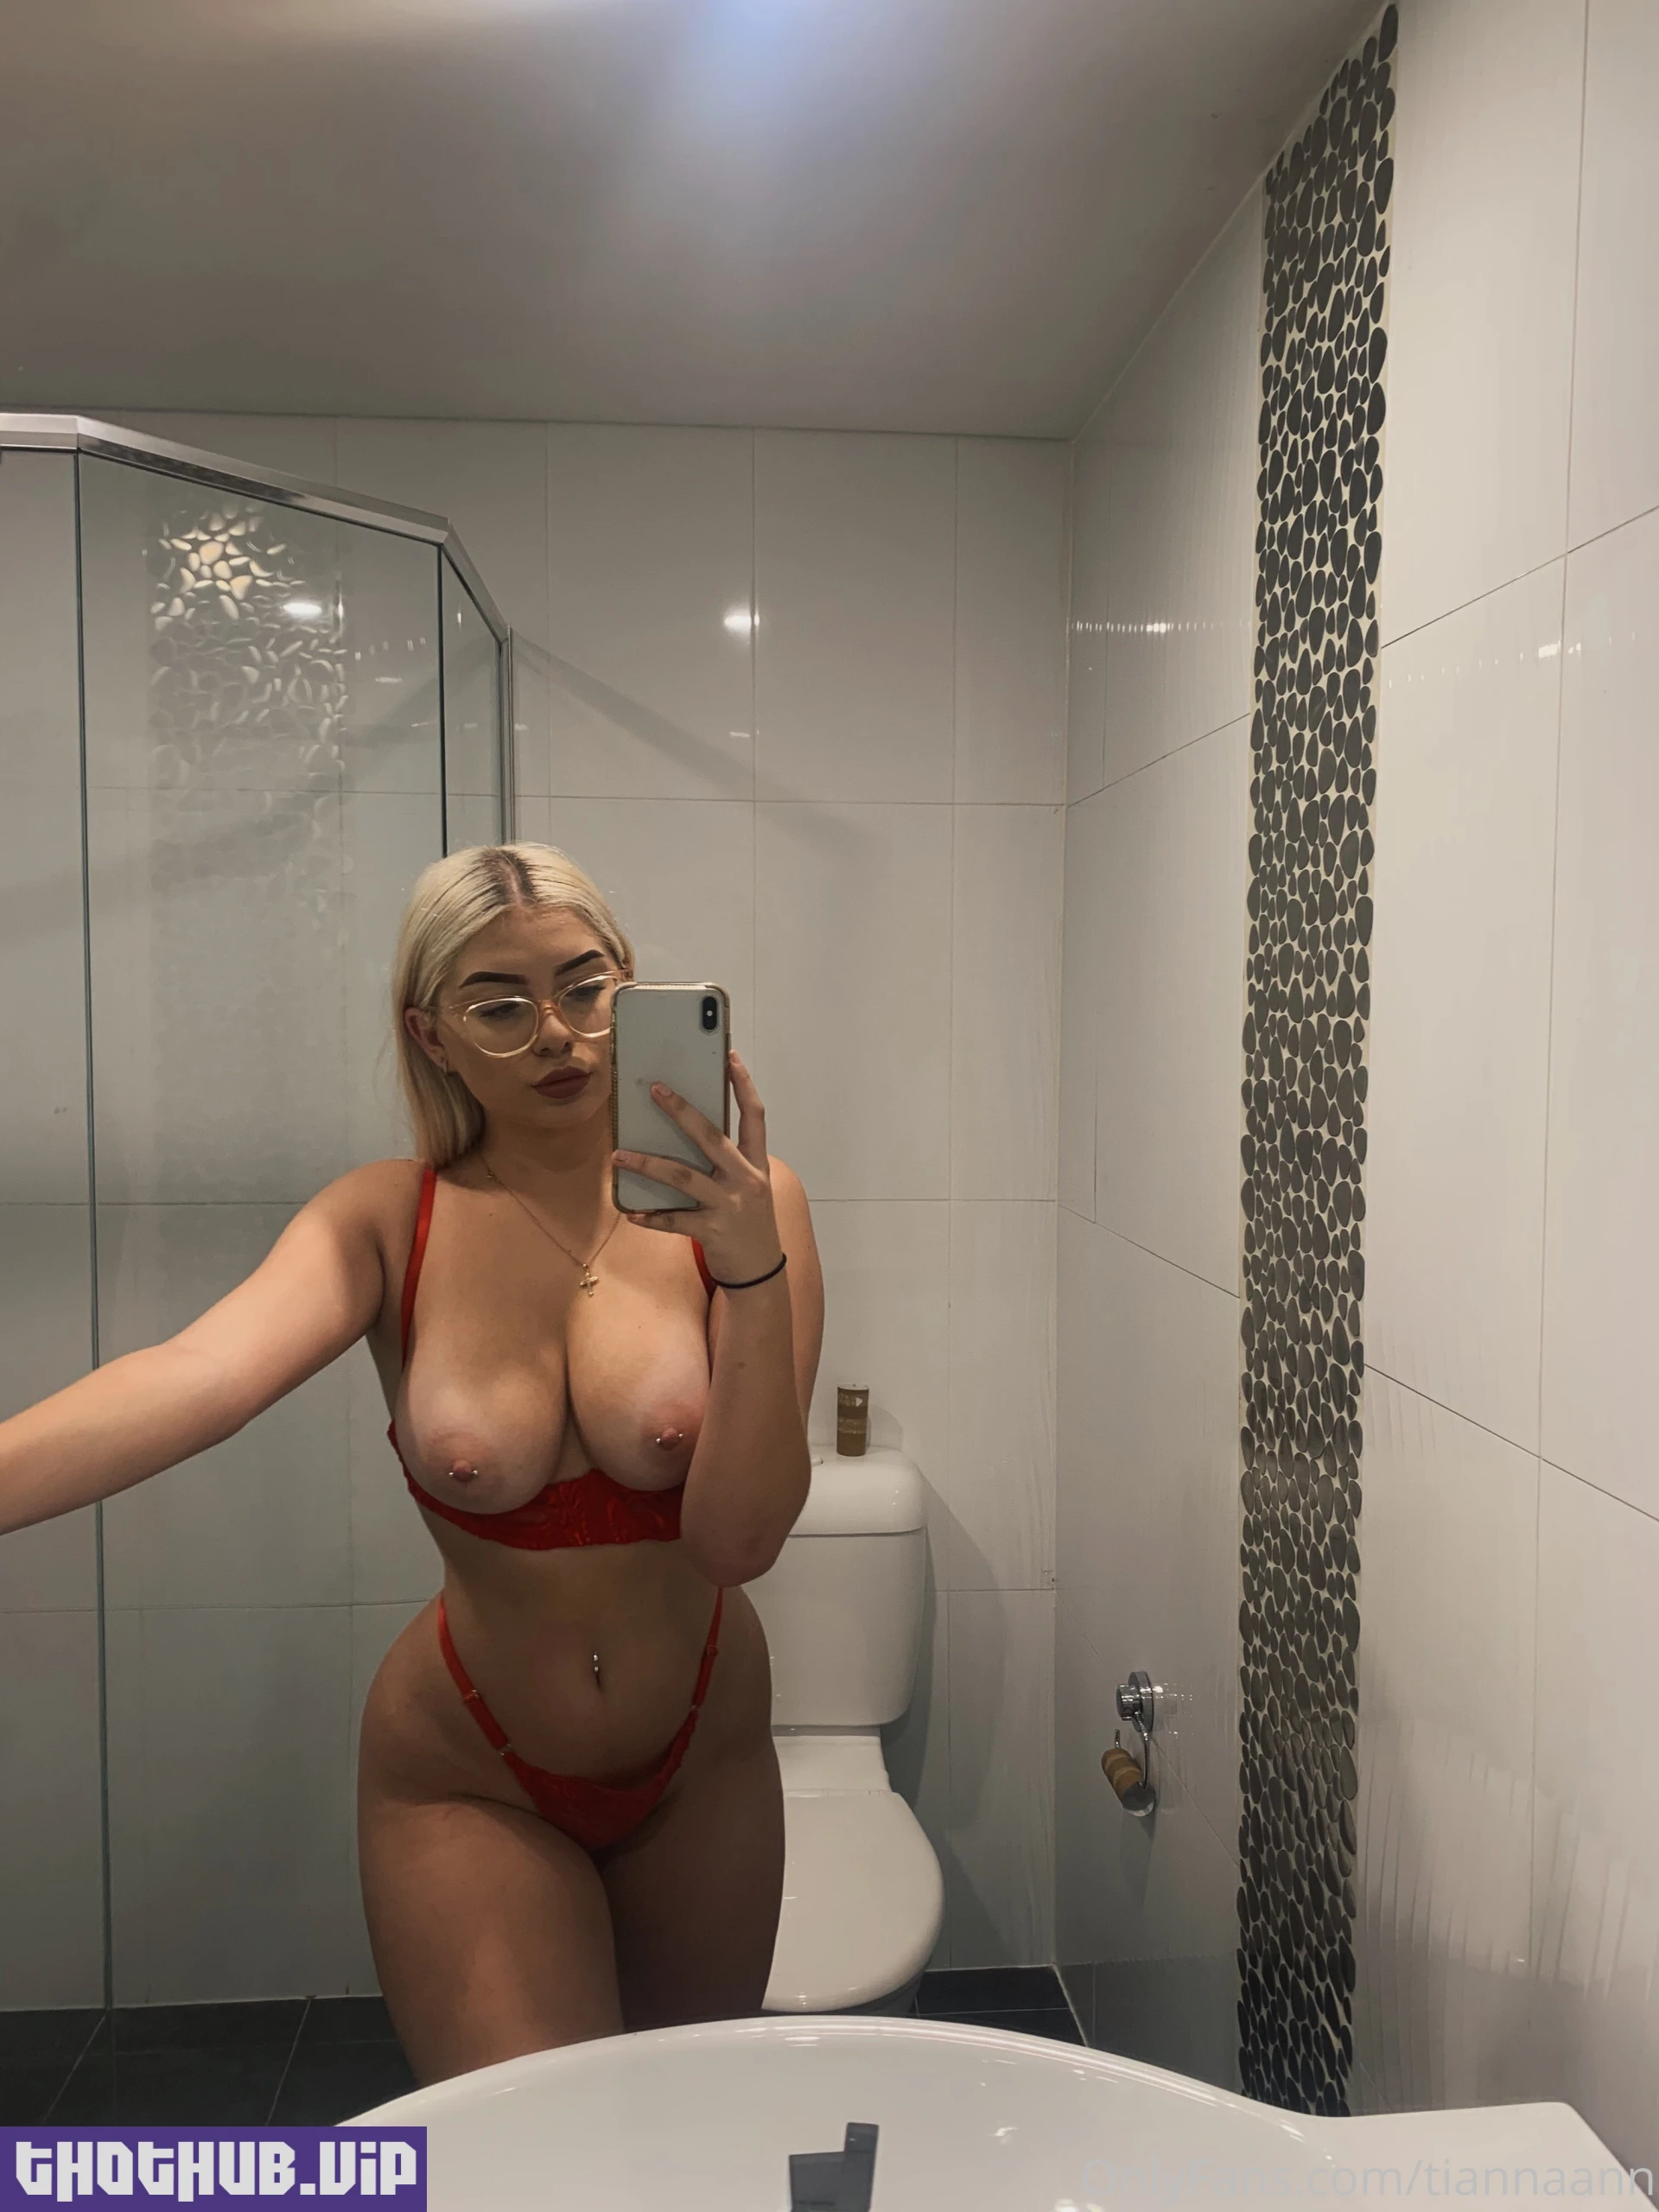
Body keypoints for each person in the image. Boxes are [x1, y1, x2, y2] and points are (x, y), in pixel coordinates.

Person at [0, 842, 823, 2084]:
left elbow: (736, 1542)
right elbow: (198, 1375)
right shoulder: (388, 1219)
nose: (558, 1035)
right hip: (470, 1769)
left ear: (630, 984)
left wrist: (752, 1270)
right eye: (499, 1005)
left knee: (689, 2134)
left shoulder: (751, 1211)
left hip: (703, 1753)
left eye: (585, 986)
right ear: (430, 1034)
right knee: (527, 2155)